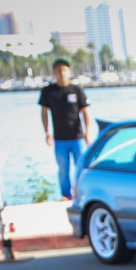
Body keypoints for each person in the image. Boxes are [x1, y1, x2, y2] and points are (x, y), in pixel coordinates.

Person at [38, 60, 95, 201]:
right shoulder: (48, 91)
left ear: (69, 71)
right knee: (63, 169)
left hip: (78, 138)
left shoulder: (77, 90)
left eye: (64, 70)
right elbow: (44, 112)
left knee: (81, 167)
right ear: (54, 73)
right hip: (59, 139)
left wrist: (88, 133)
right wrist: (46, 132)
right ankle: (66, 195)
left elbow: (86, 112)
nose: (61, 73)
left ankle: (82, 193)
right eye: (58, 70)